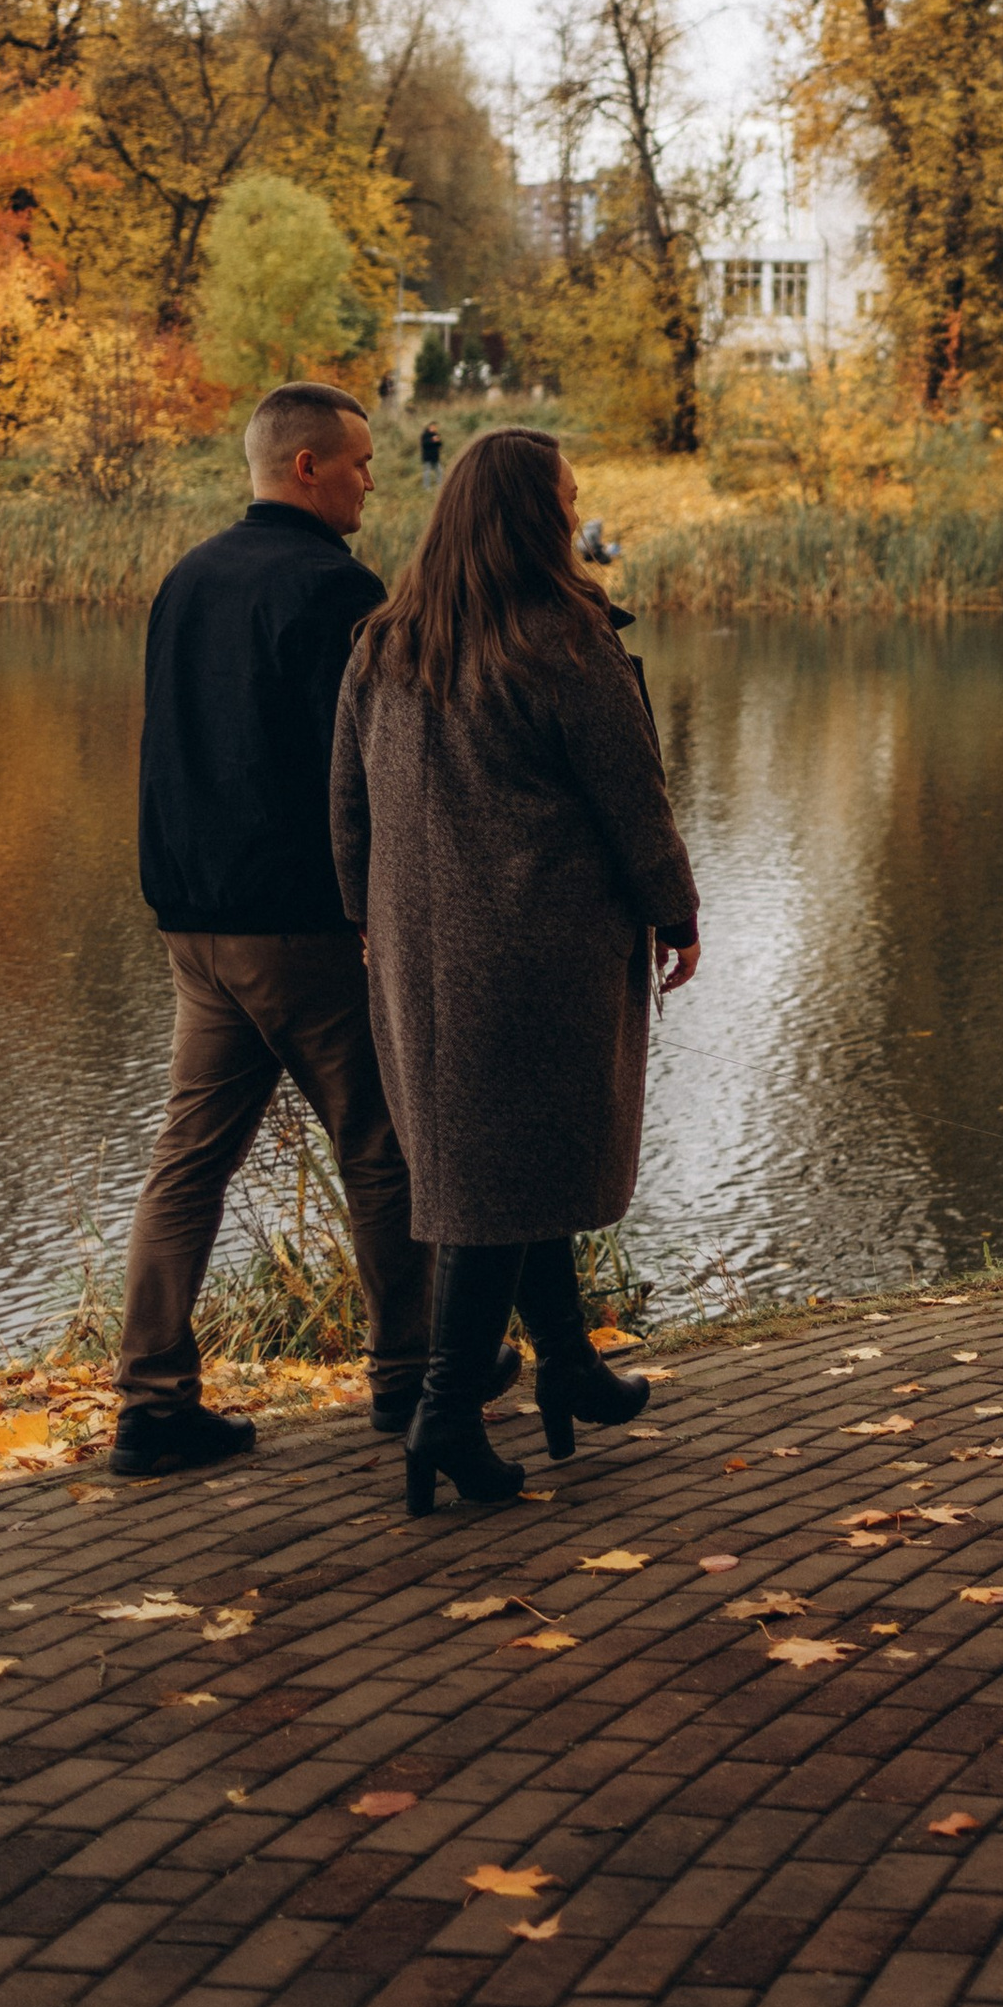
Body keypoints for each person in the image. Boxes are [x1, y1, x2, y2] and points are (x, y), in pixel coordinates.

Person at [332, 426, 701, 1514]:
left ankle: (568, 1365)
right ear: (535, 517)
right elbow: (634, 800)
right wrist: (675, 913)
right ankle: (446, 1414)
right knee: (500, 1184)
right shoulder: (560, 641)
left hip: (418, 953)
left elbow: (345, 812)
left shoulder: (381, 642)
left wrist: (366, 919)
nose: (577, 511)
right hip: (540, 953)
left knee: (502, 1165)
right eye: (568, 497)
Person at [116, 384, 449, 1476]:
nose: (369, 478)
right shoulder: (333, 588)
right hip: (298, 925)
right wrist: (382, 909)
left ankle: (153, 1406)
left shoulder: (187, 578)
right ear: (305, 468)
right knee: (382, 1147)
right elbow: (365, 771)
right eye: (357, 461)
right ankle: (411, 1381)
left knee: (187, 1162)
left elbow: (170, 744)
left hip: (195, 923)